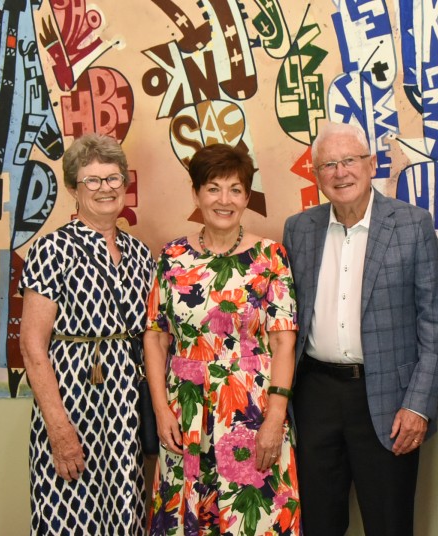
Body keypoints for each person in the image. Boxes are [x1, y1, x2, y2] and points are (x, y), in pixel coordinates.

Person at [282, 121, 438, 536]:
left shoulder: (412, 225)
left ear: (372, 164)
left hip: (387, 401)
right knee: (319, 524)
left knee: (388, 522)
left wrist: (417, 407)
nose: (340, 172)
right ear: (316, 174)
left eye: (350, 161)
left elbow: (435, 328)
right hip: (315, 397)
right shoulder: (299, 229)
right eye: (328, 165)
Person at [144, 143, 300, 535]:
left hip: (251, 410)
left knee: (252, 519)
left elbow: (284, 342)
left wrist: (276, 417)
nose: (224, 200)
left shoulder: (271, 257)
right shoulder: (172, 256)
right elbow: (156, 336)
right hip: (186, 412)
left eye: (235, 189)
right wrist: (162, 410)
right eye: (213, 188)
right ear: (196, 193)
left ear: (247, 197)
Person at [19, 133, 155, 534]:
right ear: (73, 189)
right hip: (71, 407)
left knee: (126, 514)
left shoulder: (140, 253)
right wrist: (59, 429)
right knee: (68, 515)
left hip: (124, 411)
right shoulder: (51, 250)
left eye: (113, 179)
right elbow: (32, 347)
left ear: (124, 185)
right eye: (92, 180)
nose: (104, 189)